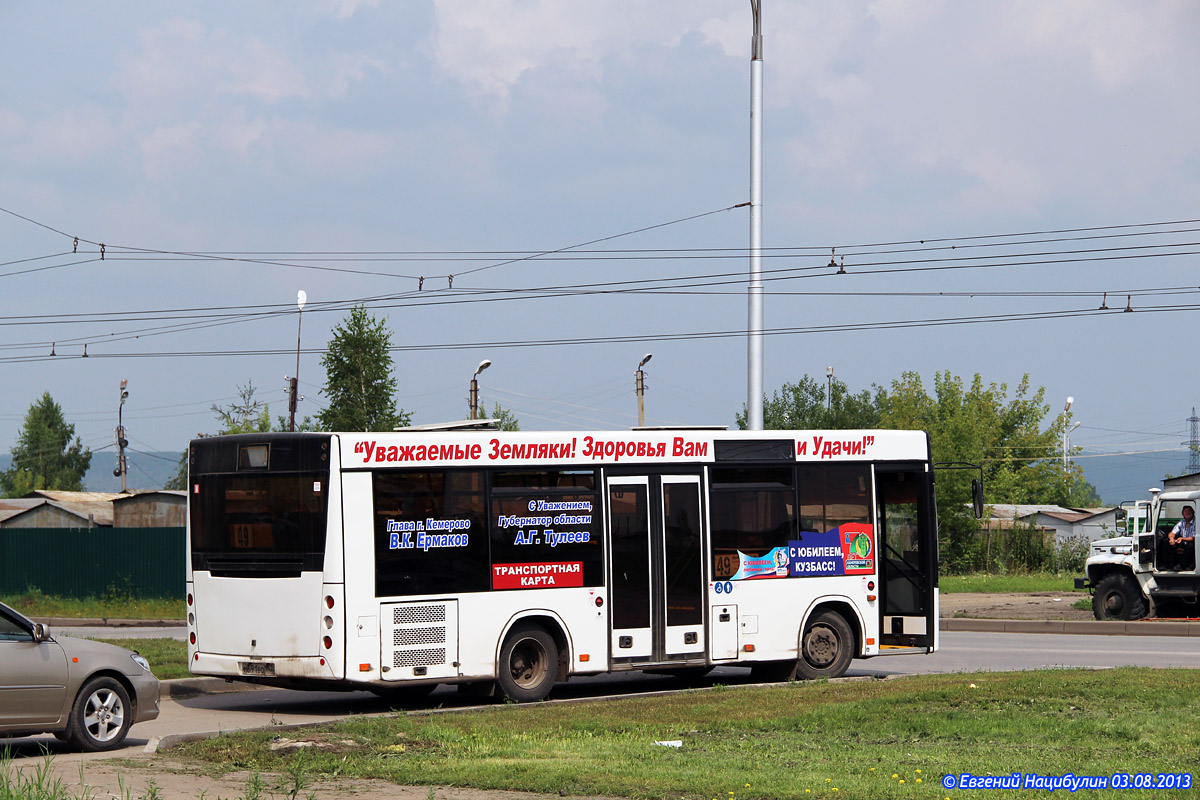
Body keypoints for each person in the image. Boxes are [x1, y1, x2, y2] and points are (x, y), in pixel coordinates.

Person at [1166, 505, 1196, 570]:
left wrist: (1182, 538)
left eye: (1189, 511)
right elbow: (1172, 533)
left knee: (1191, 546)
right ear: (1183, 514)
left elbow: (1194, 538)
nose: (1187, 513)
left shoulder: (1196, 523)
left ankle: (1182, 566)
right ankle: (1168, 565)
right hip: (1183, 542)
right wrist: (1171, 539)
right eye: (1185, 511)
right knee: (1166, 541)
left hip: (1193, 543)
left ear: (1193, 513)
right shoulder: (1181, 522)